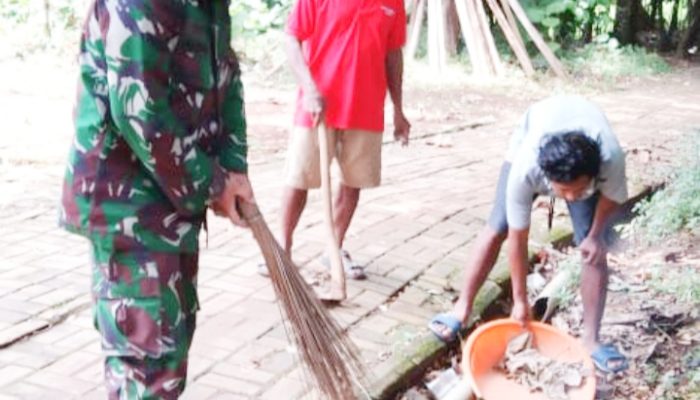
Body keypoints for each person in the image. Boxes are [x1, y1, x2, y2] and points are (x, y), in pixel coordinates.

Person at [60, 1, 254, 397]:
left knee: (169, 356)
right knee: (147, 373)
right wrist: (213, 184)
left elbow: (226, 73)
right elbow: (139, 112)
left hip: (172, 203)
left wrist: (234, 168)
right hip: (129, 208)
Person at [429, 95, 629, 374]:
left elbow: (612, 197)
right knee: (497, 225)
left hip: (587, 146)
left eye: (578, 191)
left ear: (593, 176)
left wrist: (595, 235)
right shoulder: (526, 169)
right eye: (563, 191)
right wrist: (520, 301)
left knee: (593, 248)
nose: (571, 197)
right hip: (534, 129)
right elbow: (517, 236)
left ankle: (591, 341)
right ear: (546, 179)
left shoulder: (610, 158)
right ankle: (461, 309)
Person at [260, 0, 411, 279]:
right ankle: (283, 248)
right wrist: (308, 88)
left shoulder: (394, 3)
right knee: (299, 177)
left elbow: (393, 54)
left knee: (354, 183)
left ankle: (334, 250)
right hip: (318, 105)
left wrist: (398, 110)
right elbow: (292, 38)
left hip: (366, 108)